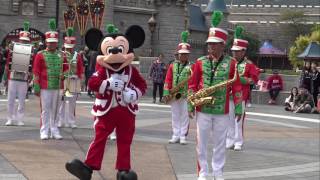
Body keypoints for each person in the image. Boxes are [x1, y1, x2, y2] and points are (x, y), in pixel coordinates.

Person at [65, 24, 147, 180]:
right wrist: (107, 84)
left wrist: (134, 93)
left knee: (125, 140)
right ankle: (88, 167)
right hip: (106, 111)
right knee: (100, 138)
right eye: (110, 51)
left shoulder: (131, 71)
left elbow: (142, 85)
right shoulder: (102, 70)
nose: (115, 56)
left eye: (120, 51)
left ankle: (123, 170)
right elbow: (92, 83)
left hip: (126, 110)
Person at [188, 11, 242, 180]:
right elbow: (192, 84)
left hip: (222, 110)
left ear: (222, 45)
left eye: (214, 44)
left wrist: (239, 107)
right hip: (202, 108)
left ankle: (218, 173)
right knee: (201, 144)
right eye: (209, 43)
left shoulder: (232, 63)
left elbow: (237, 86)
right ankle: (203, 173)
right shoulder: (200, 62)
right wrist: (191, 103)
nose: (210, 47)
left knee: (219, 144)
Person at [33, 19, 68, 140]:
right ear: (46, 42)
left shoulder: (62, 55)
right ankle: (44, 130)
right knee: (45, 109)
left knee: (56, 109)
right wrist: (36, 85)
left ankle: (54, 130)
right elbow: (36, 71)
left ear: (56, 43)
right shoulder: (40, 54)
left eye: (54, 42)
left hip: (58, 86)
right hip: (45, 86)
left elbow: (67, 69)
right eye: (50, 42)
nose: (52, 44)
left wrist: (65, 75)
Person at [226, 26, 258, 151]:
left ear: (243, 52)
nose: (234, 53)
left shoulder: (249, 65)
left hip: (241, 96)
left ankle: (238, 141)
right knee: (228, 119)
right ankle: (229, 140)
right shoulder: (228, 63)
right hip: (228, 95)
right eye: (233, 51)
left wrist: (241, 80)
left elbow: (253, 79)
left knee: (238, 119)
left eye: (237, 51)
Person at [163, 31, 192, 145]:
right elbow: (168, 79)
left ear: (188, 55)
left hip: (185, 94)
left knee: (185, 116)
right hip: (174, 94)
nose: (182, 56)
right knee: (175, 115)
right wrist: (166, 92)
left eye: (184, 54)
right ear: (178, 54)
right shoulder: (172, 65)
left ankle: (183, 135)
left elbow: (193, 81)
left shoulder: (192, 66)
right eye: (180, 53)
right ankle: (175, 134)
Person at [4, 21, 34, 126]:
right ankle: (10, 118)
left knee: (22, 100)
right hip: (12, 77)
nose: (24, 42)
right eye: (22, 40)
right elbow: (8, 64)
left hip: (24, 78)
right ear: (19, 40)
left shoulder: (31, 52)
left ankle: (20, 119)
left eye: (26, 41)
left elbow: (32, 66)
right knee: (10, 99)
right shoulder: (13, 50)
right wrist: (6, 78)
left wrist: (31, 76)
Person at [57, 28, 84, 128]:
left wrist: (81, 80)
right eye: (67, 47)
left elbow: (80, 68)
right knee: (61, 102)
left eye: (70, 47)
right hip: (63, 80)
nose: (69, 49)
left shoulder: (77, 55)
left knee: (72, 103)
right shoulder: (61, 54)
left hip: (74, 79)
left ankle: (71, 121)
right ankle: (61, 120)